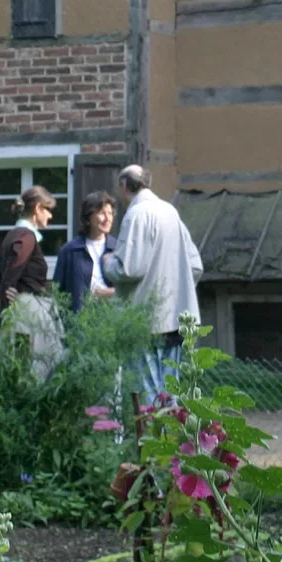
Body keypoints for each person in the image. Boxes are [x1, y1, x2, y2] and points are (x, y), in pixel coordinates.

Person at [100, 165, 203, 401]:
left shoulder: (136, 214)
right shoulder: (169, 211)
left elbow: (130, 268)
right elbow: (195, 265)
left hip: (145, 320)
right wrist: (176, 289)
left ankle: (152, 437)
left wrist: (108, 262)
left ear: (124, 185)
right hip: (176, 318)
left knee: (147, 391)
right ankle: (171, 437)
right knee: (170, 391)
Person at [0, 185, 57, 312]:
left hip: (17, 311)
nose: (50, 216)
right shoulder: (26, 237)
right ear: (38, 208)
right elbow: (9, 277)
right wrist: (8, 291)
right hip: (25, 314)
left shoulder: (12, 234)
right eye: (48, 210)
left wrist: (4, 290)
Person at [52, 191, 118, 312]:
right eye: (102, 213)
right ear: (89, 217)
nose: (108, 219)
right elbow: (57, 292)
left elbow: (130, 288)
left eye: (110, 213)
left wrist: (109, 293)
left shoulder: (118, 249)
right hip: (79, 320)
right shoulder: (70, 251)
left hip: (113, 317)